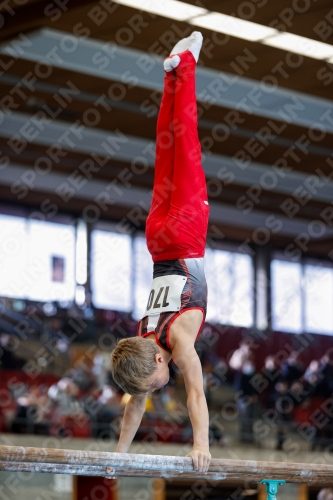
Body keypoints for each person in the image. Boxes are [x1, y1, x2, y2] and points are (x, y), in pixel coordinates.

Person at [110, 32, 211, 473]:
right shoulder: (141, 335)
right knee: (166, 151)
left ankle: (186, 64)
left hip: (186, 235)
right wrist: (115, 459)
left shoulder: (176, 342)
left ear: (156, 359)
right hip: (156, 238)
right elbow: (134, 405)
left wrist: (200, 446)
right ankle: (171, 74)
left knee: (185, 145)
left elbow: (195, 393)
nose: (157, 387)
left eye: (154, 380)